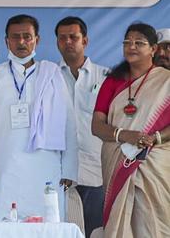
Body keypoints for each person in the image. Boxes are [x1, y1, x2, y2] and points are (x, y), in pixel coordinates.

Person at [0, 14, 78, 222]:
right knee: (3, 225)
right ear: (6, 41)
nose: (21, 42)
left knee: (46, 225)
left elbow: (69, 125)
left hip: (47, 167)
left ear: (36, 40)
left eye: (27, 37)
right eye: (15, 37)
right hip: (3, 169)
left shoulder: (53, 74)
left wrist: (70, 170)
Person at [91, 23, 170, 238]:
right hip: (118, 160)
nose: (131, 46)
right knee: (120, 222)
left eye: (139, 42)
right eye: (127, 42)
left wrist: (153, 138)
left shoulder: (166, 80)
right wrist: (123, 135)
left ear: (153, 49)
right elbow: (96, 126)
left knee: (152, 225)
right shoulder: (112, 81)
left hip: (155, 163)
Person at [55, 16, 109, 238]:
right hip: (59, 175)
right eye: (62, 38)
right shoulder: (47, 78)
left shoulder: (107, 77)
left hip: (97, 172)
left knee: (98, 232)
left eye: (73, 37)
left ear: (84, 40)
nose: (68, 42)